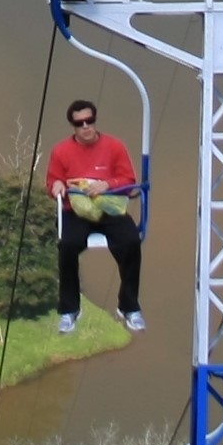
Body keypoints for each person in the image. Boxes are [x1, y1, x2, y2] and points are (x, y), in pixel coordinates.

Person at [44, 96, 144, 336]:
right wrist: (56, 186)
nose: (86, 127)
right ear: (74, 127)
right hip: (76, 211)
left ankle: (128, 306)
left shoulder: (114, 146)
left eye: (90, 121)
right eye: (80, 123)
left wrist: (106, 185)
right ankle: (70, 310)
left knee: (131, 242)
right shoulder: (62, 151)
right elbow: (52, 181)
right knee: (67, 246)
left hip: (108, 209)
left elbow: (128, 181)